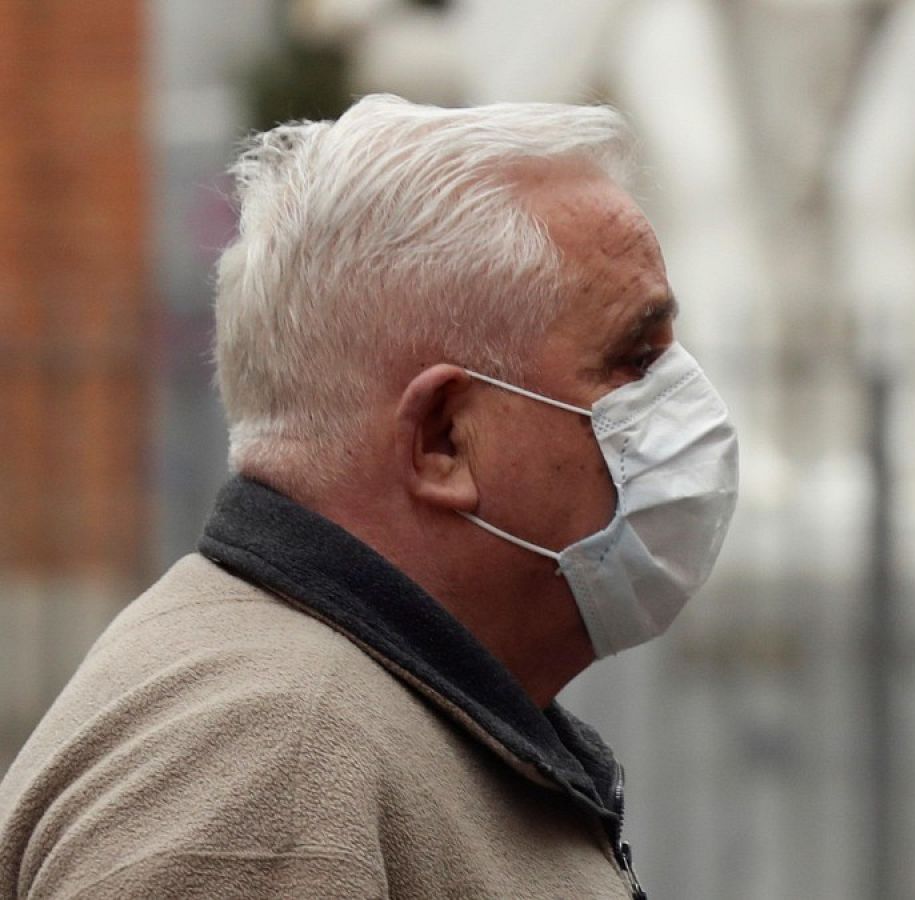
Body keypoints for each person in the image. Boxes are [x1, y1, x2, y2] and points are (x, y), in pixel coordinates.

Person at [0, 95, 738, 899]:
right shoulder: (274, 760)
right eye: (636, 357)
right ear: (443, 440)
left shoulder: (335, 713)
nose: (688, 400)